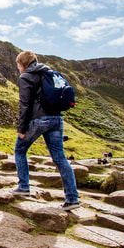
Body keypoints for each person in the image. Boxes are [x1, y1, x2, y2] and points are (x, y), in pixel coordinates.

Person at [11, 50, 80, 210]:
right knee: (60, 158)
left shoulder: (27, 76)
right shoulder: (49, 73)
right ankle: (72, 198)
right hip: (57, 119)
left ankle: (23, 186)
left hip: (38, 119)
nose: (18, 68)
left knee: (20, 150)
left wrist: (22, 128)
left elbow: (25, 104)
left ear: (22, 63)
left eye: (18, 65)